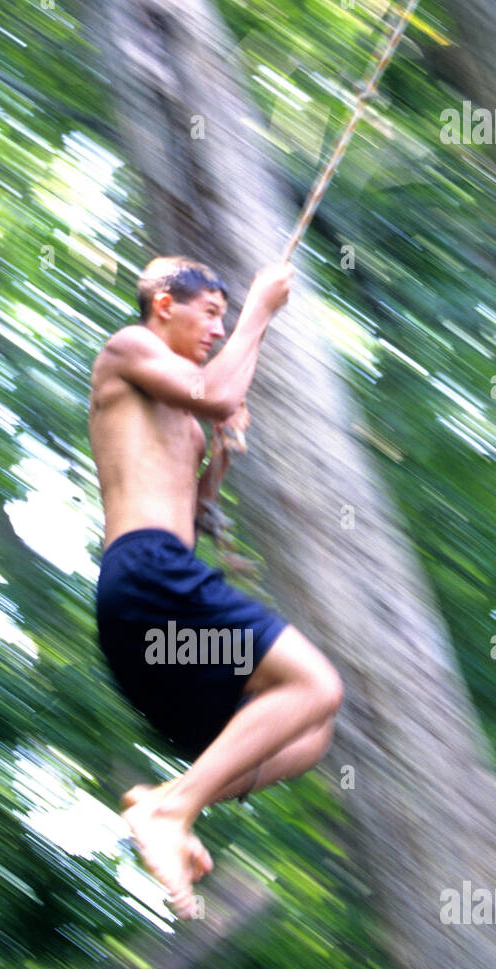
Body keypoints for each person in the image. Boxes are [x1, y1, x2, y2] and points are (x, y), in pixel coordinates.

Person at [88, 255, 344, 916]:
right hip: (146, 577)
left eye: (226, 317)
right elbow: (220, 390)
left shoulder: (181, 414)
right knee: (316, 683)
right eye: (210, 313)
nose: (218, 327)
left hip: (155, 627)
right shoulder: (128, 347)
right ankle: (173, 809)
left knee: (307, 734)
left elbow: (188, 516)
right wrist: (261, 309)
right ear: (164, 302)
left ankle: (168, 800)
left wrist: (218, 460)